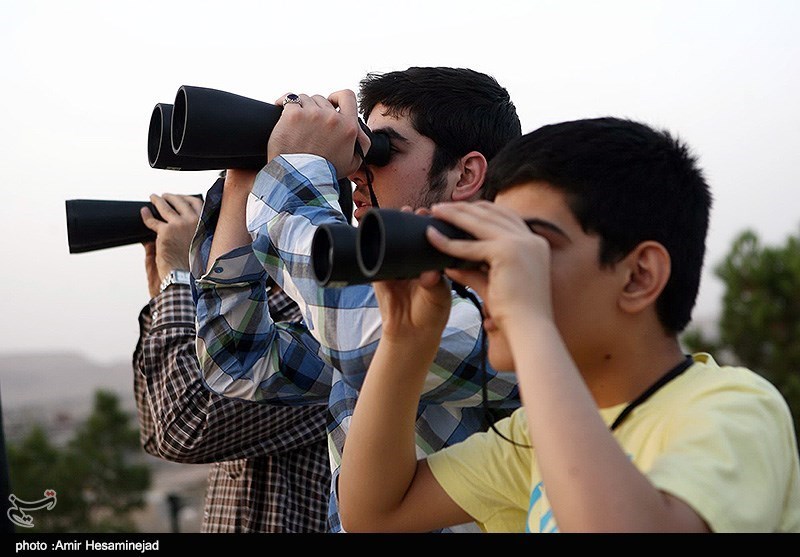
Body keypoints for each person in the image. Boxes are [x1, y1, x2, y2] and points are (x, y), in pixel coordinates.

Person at [336, 117, 800, 533]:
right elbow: (375, 514)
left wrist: (528, 319)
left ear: (638, 277)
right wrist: (405, 340)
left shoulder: (735, 409)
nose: (501, 270)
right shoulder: (531, 437)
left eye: (531, 248)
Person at [189, 67, 523, 532]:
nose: (357, 170)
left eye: (383, 151)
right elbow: (240, 359)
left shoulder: (511, 307)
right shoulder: (387, 303)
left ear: (466, 173)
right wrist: (244, 185)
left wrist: (297, 166)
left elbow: (371, 345)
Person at [132, 187, 331, 533]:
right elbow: (154, 433)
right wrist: (166, 298)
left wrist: (177, 283)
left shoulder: (313, 319)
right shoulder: (243, 317)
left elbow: (184, 428)